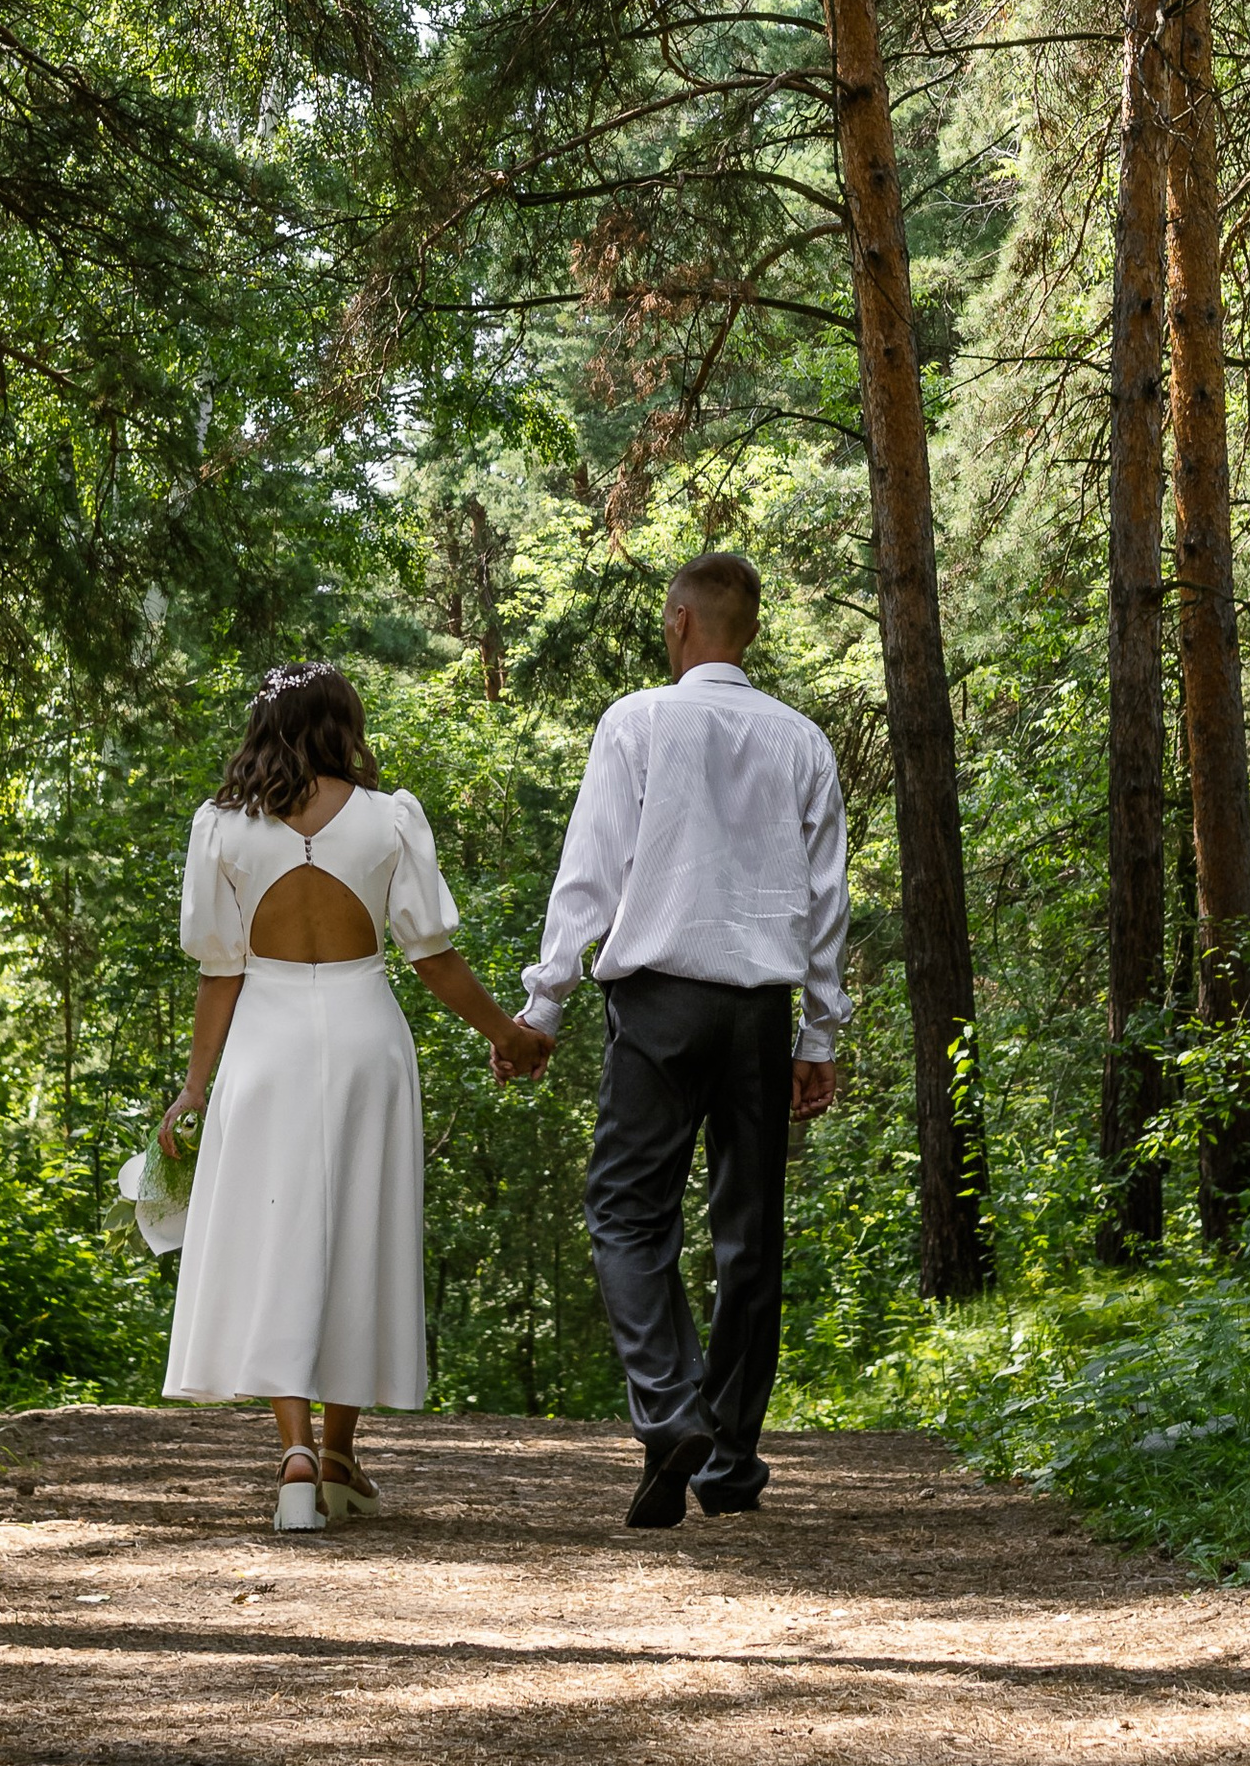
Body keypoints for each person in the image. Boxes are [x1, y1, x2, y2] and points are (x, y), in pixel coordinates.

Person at [495, 549, 847, 1528]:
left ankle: (670, 1409)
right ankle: (727, 1461)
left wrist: (545, 1004)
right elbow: (825, 905)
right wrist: (819, 1035)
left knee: (624, 1214)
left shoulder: (638, 721)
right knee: (750, 1237)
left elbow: (591, 871)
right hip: (759, 1014)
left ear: (682, 622)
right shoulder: (802, 742)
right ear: (750, 629)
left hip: (656, 1001)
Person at [159, 662, 542, 1532]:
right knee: (357, 1230)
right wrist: (506, 1034)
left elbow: (220, 969)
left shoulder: (220, 828)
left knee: (278, 1234)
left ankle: (295, 1455)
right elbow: (432, 958)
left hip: (265, 1041)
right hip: (368, 1036)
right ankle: (337, 1453)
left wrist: (194, 1087)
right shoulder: (387, 819)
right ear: (343, 723)